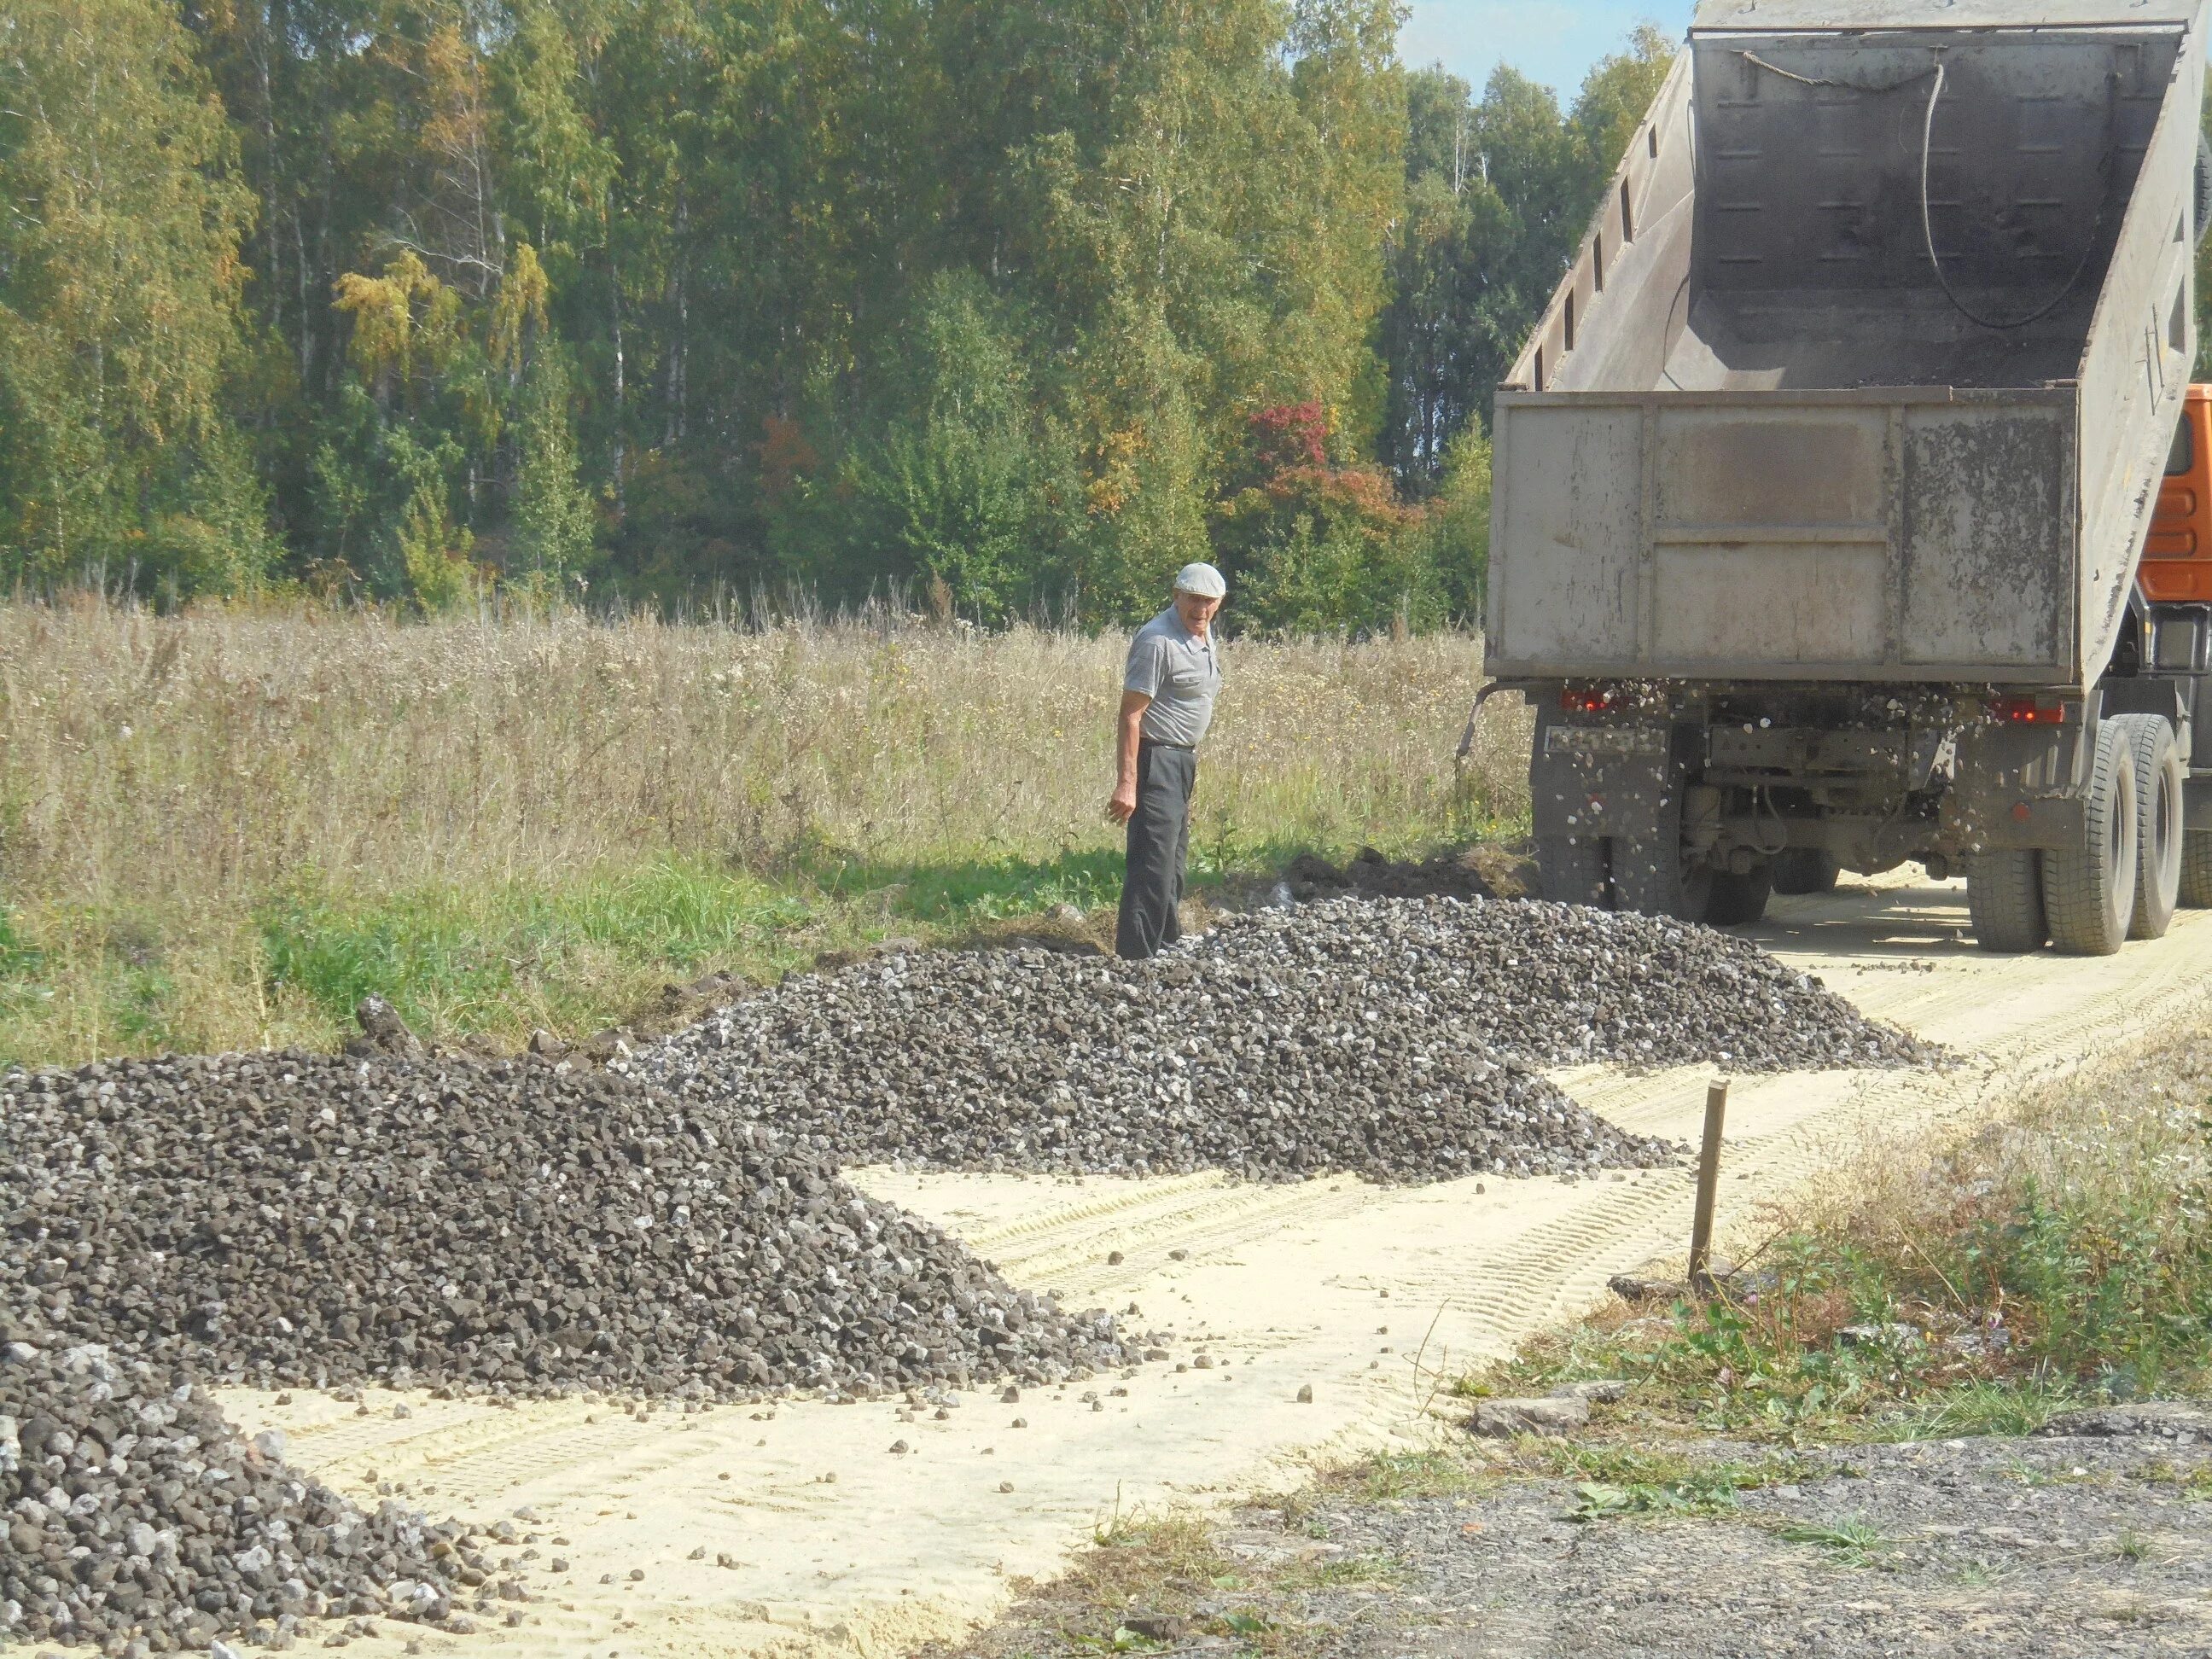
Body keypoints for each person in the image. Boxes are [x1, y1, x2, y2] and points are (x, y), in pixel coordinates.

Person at [1108, 562, 1225, 958]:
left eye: (1209, 602)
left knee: (1174, 859)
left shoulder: (1206, 636)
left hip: (1182, 761)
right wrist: (1127, 783)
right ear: (1176, 595)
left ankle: (1167, 940)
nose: (1201, 609)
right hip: (1154, 758)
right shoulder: (1157, 641)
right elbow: (1130, 714)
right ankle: (1136, 956)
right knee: (1152, 863)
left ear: (1219, 603)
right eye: (1193, 599)